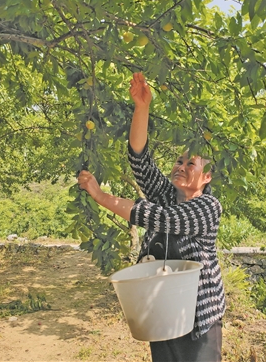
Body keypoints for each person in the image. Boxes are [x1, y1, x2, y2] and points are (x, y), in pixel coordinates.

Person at [77, 72, 225, 362]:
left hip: (197, 318)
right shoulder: (167, 194)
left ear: (206, 176)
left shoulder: (208, 207)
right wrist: (141, 107)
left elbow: (160, 217)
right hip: (162, 309)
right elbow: (140, 161)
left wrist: (101, 196)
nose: (181, 166)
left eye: (190, 163)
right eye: (179, 160)